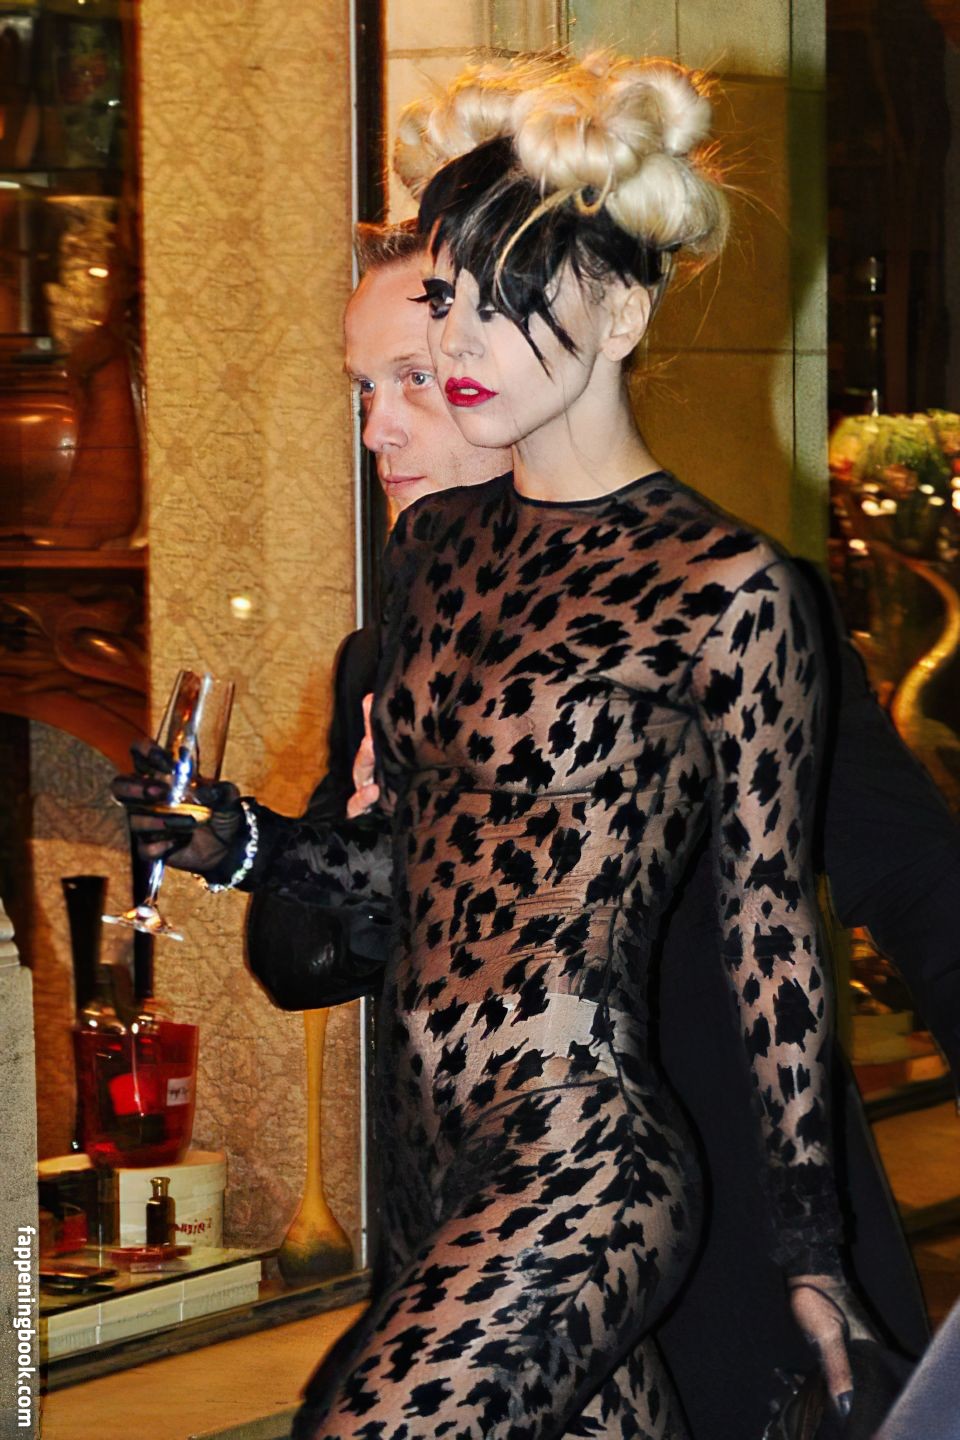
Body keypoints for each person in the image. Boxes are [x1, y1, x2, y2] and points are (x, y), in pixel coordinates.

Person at [113, 53, 960, 1440]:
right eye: (408, 345)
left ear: (616, 314)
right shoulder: (426, 580)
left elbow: (836, 914)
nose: (411, 397)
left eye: (434, 348)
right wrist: (241, 835)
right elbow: (344, 929)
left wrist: (816, 1246)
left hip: (622, 1184)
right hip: (445, 1174)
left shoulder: (728, 595)